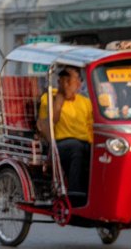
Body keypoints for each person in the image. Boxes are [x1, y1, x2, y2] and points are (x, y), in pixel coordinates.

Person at [37, 65, 93, 196]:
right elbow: (46, 125)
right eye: (64, 81)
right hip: (60, 143)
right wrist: (60, 98)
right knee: (76, 148)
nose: (68, 85)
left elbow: (91, 127)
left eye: (71, 81)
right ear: (59, 82)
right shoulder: (48, 97)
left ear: (79, 84)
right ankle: (75, 193)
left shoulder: (85, 102)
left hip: (85, 142)